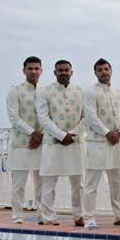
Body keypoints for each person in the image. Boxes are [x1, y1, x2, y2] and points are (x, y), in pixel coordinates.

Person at [36, 60, 86, 225]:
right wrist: (60, 135)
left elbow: (87, 117)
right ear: (55, 72)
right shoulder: (45, 91)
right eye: (60, 70)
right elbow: (43, 117)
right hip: (53, 143)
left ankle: (79, 216)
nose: (63, 73)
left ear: (71, 72)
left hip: (75, 142)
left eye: (66, 70)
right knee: (49, 182)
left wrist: (73, 134)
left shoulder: (80, 92)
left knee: (78, 183)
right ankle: (49, 217)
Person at [81, 58, 120, 229]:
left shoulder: (117, 92)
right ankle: (89, 217)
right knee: (92, 182)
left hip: (116, 143)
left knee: (116, 181)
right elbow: (90, 117)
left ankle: (119, 214)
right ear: (95, 73)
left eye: (106, 69)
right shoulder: (90, 92)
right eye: (100, 70)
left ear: (111, 71)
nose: (104, 72)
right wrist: (108, 133)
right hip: (97, 142)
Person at [6, 56, 44, 223]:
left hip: (42, 142)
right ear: (24, 70)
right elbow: (14, 118)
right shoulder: (15, 90)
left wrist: (40, 135)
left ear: (41, 71)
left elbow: (50, 116)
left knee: (42, 182)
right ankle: (17, 216)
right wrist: (33, 133)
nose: (34, 71)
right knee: (19, 184)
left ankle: (43, 215)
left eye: (37, 68)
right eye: (30, 68)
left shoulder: (46, 91)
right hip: (21, 144)